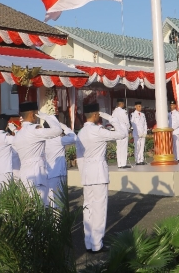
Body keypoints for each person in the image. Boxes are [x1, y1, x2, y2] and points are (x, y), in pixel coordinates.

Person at [76, 103, 127, 254]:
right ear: (96, 115)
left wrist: (82, 174)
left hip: (87, 174)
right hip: (98, 174)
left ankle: (88, 242)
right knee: (99, 209)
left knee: (88, 209)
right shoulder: (97, 131)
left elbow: (79, 157)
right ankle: (97, 244)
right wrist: (112, 118)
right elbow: (122, 133)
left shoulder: (81, 132)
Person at [10, 102, 63, 205]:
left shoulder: (18, 134)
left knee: (29, 208)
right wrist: (49, 118)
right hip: (37, 174)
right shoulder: (33, 130)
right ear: (32, 115)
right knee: (40, 209)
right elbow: (57, 130)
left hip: (24, 174)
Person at [44, 116, 76, 208]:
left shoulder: (42, 140)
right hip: (58, 174)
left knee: (50, 201)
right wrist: (65, 128)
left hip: (47, 174)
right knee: (59, 202)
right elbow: (74, 138)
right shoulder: (58, 139)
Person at [112, 99, 131, 168]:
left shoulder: (114, 112)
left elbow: (112, 121)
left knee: (119, 147)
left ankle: (119, 163)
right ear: (122, 104)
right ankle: (123, 163)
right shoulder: (123, 111)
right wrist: (128, 128)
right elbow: (126, 121)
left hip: (117, 130)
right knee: (123, 147)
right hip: (123, 130)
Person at [130, 101, 148, 165]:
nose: (140, 107)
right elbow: (133, 124)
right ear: (135, 107)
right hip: (136, 134)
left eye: (141, 106)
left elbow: (145, 124)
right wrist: (138, 132)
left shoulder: (143, 114)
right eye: (139, 106)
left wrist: (145, 132)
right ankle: (137, 160)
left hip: (142, 133)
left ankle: (141, 160)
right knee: (137, 147)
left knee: (142, 147)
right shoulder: (133, 114)